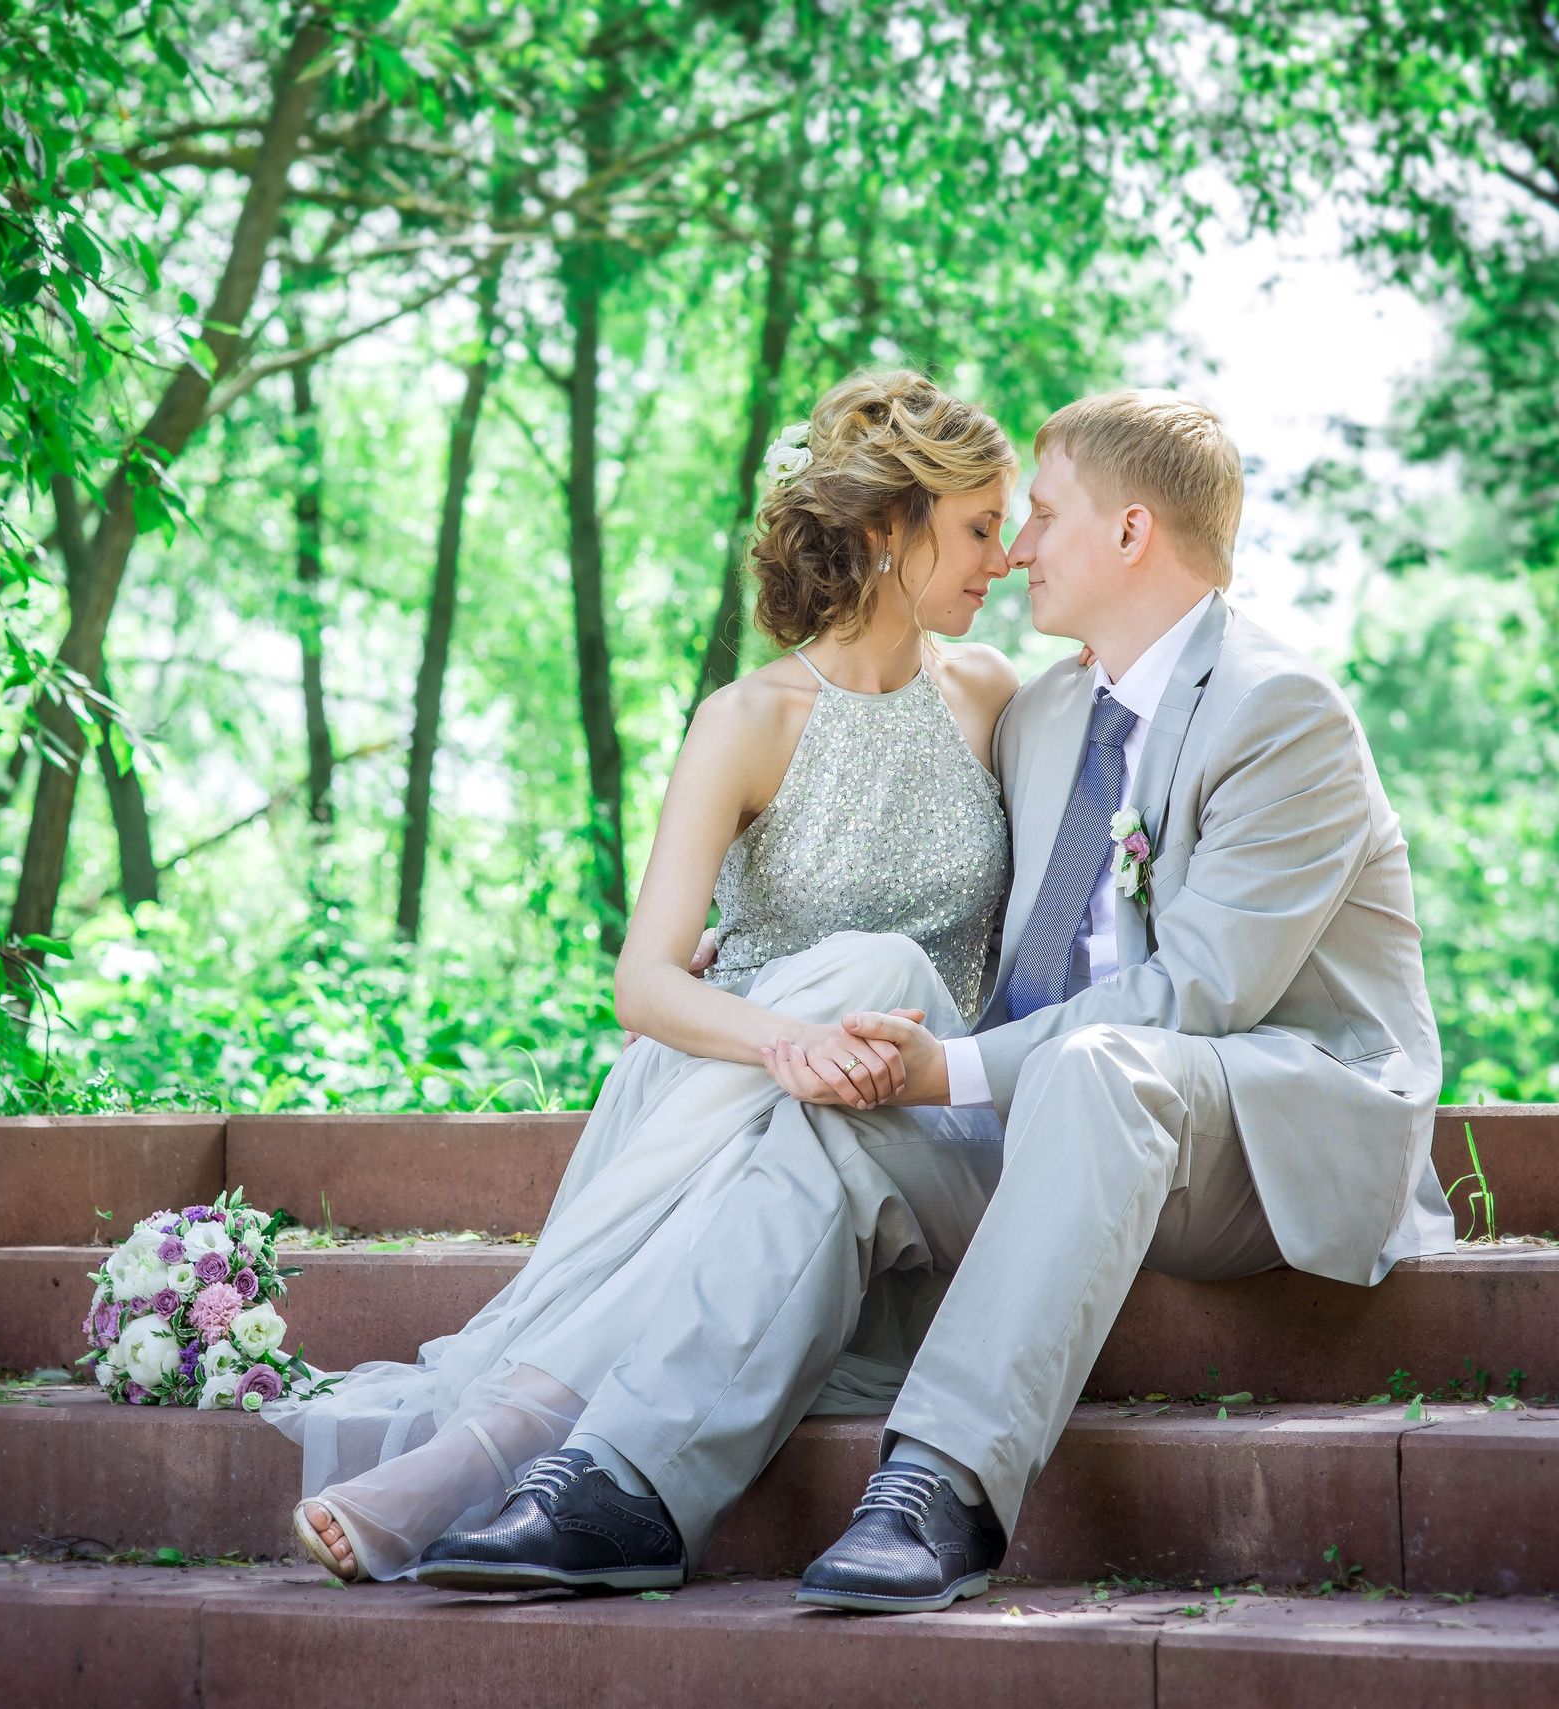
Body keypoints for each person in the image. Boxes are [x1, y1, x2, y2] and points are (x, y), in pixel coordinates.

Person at [411, 388, 1456, 1611]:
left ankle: (941, 1484)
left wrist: (950, 1072)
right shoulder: (1046, 708)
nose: (1015, 551)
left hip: (1253, 1135)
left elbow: (1196, 997)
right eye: (998, 525)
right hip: (1052, 1130)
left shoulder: (1283, 713)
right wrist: (775, 984)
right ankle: (629, 1483)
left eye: (1043, 518)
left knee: (1101, 1064)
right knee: (839, 1110)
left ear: (1129, 533)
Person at [269, 370, 1022, 1584]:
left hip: (929, 1146)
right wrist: (789, 1043)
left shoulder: (993, 698)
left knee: (878, 978)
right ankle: (552, 1471)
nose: (1009, 558)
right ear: (888, 529)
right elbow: (646, 986)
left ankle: (489, 1445)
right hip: (759, 1127)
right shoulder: (747, 718)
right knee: (803, 1137)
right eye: (982, 526)